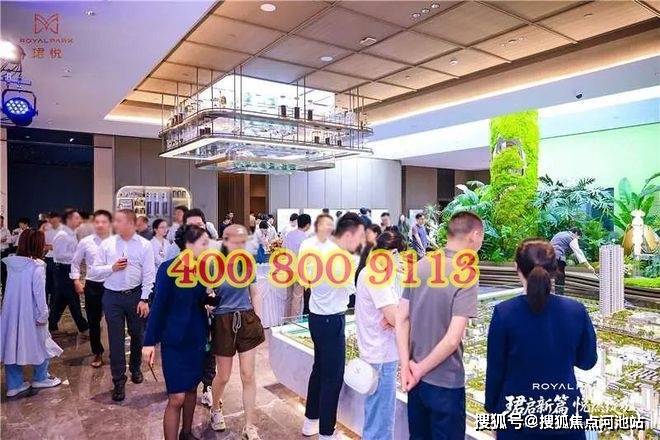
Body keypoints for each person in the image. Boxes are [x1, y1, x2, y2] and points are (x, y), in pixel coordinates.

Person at [485, 239, 597, 439]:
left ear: (516, 268)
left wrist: (493, 414)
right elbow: (587, 361)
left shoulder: (504, 313)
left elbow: (495, 373)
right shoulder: (576, 310)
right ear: (555, 270)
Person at [396, 211, 484, 440]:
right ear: (474, 235)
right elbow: (453, 338)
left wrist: (406, 366)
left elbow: (401, 318)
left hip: (415, 381)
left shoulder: (421, 265)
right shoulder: (466, 274)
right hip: (446, 383)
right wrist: (419, 370)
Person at [143, 225, 212, 440]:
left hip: (197, 337)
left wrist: (213, 300)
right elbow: (158, 307)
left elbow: (200, 300)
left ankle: (187, 433)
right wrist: (148, 342)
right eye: (203, 242)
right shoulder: (167, 269)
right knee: (176, 397)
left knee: (191, 389)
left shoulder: (204, 269)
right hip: (174, 341)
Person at [301, 213, 365, 440]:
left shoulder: (316, 248)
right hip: (331, 320)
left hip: (315, 317)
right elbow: (351, 289)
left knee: (319, 369)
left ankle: (310, 421)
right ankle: (327, 433)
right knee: (333, 377)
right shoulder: (344, 257)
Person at [90, 209, 155, 401]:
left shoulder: (144, 245)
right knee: (115, 340)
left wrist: (144, 299)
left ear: (131, 224)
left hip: (136, 296)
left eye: (119, 221)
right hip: (112, 297)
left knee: (137, 334)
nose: (115, 224)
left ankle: (135, 368)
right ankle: (118, 380)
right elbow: (94, 271)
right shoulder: (107, 244)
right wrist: (112, 268)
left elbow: (149, 274)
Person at [210, 224, 264, 440]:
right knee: (223, 375)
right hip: (223, 320)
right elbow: (206, 292)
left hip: (246, 318)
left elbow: (255, 292)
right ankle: (215, 407)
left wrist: (257, 319)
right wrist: (207, 303)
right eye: (236, 241)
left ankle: (249, 425)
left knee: (248, 374)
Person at [355, 230, 406, 440]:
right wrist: (396, 317)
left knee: (376, 414)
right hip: (382, 356)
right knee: (381, 420)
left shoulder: (369, 272)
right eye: (399, 255)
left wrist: (394, 317)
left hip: (374, 352)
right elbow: (394, 317)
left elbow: (393, 315)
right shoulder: (377, 276)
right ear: (392, 253)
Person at [1, 229, 63, 397]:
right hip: (31, 313)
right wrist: (43, 315)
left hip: (11, 313)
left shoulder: (13, 264)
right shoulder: (37, 266)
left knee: (12, 344)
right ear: (37, 245)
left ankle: (14, 385)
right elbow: (39, 294)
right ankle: (41, 377)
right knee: (42, 343)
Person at [70, 209, 113, 368]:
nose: (100, 225)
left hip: (112, 286)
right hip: (93, 285)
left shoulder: (117, 241)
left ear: (110, 224)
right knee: (94, 322)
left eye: (104, 222)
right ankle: (97, 352)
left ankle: (115, 352)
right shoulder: (86, 242)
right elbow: (75, 262)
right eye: (97, 222)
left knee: (114, 321)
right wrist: (76, 280)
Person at [49, 209, 89, 334]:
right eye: (76, 218)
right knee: (73, 299)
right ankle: (84, 327)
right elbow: (59, 255)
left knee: (61, 300)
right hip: (63, 269)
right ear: (69, 220)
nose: (79, 220)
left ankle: (51, 325)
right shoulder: (62, 235)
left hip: (68, 269)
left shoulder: (72, 234)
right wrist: (78, 255)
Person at [550, 228, 595, 295]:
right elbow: (578, 252)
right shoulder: (572, 238)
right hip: (557, 256)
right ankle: (559, 295)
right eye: (578, 237)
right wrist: (588, 266)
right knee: (560, 277)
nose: (578, 239)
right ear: (576, 233)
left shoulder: (560, 233)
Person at [282, 213, 311, 318]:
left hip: (288, 269)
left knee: (288, 296)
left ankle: (286, 320)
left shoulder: (289, 235)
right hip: (299, 271)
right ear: (308, 225)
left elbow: (283, 251)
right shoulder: (305, 238)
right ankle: (294, 321)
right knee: (297, 297)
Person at [43, 212, 62, 305]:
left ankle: (53, 306)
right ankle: (45, 305)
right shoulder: (46, 230)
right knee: (46, 284)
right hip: (48, 259)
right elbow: (43, 245)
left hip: (58, 260)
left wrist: (52, 246)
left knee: (56, 285)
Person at [1, 214, 11, 293]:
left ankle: (5, 290)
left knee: (4, 272)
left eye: (1, 222)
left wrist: (5, 240)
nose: (0, 223)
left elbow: (10, 240)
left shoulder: (6, 230)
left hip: (4, 253)